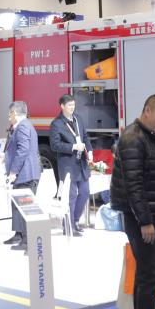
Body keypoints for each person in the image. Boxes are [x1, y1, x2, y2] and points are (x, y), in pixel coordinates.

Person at [110, 94, 155, 309]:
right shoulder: (134, 138)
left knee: (147, 273)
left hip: (147, 215)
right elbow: (133, 184)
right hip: (141, 218)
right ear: (147, 111)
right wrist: (145, 221)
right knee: (150, 275)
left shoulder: (144, 136)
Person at [49, 93, 93, 235]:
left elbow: (85, 137)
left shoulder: (78, 119)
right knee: (71, 195)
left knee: (85, 192)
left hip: (81, 163)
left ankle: (74, 220)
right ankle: (68, 226)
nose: (72, 108)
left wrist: (90, 151)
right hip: (68, 164)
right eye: (69, 106)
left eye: (73, 105)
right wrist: (73, 147)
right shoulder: (56, 124)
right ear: (62, 106)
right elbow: (54, 145)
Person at [2, 101, 41, 252]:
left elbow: (23, 150)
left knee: (26, 209)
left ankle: (28, 243)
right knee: (20, 207)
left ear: (15, 113)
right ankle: (23, 239)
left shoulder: (23, 126)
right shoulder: (23, 126)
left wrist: (13, 172)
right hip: (25, 174)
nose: (9, 116)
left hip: (26, 174)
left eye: (10, 113)